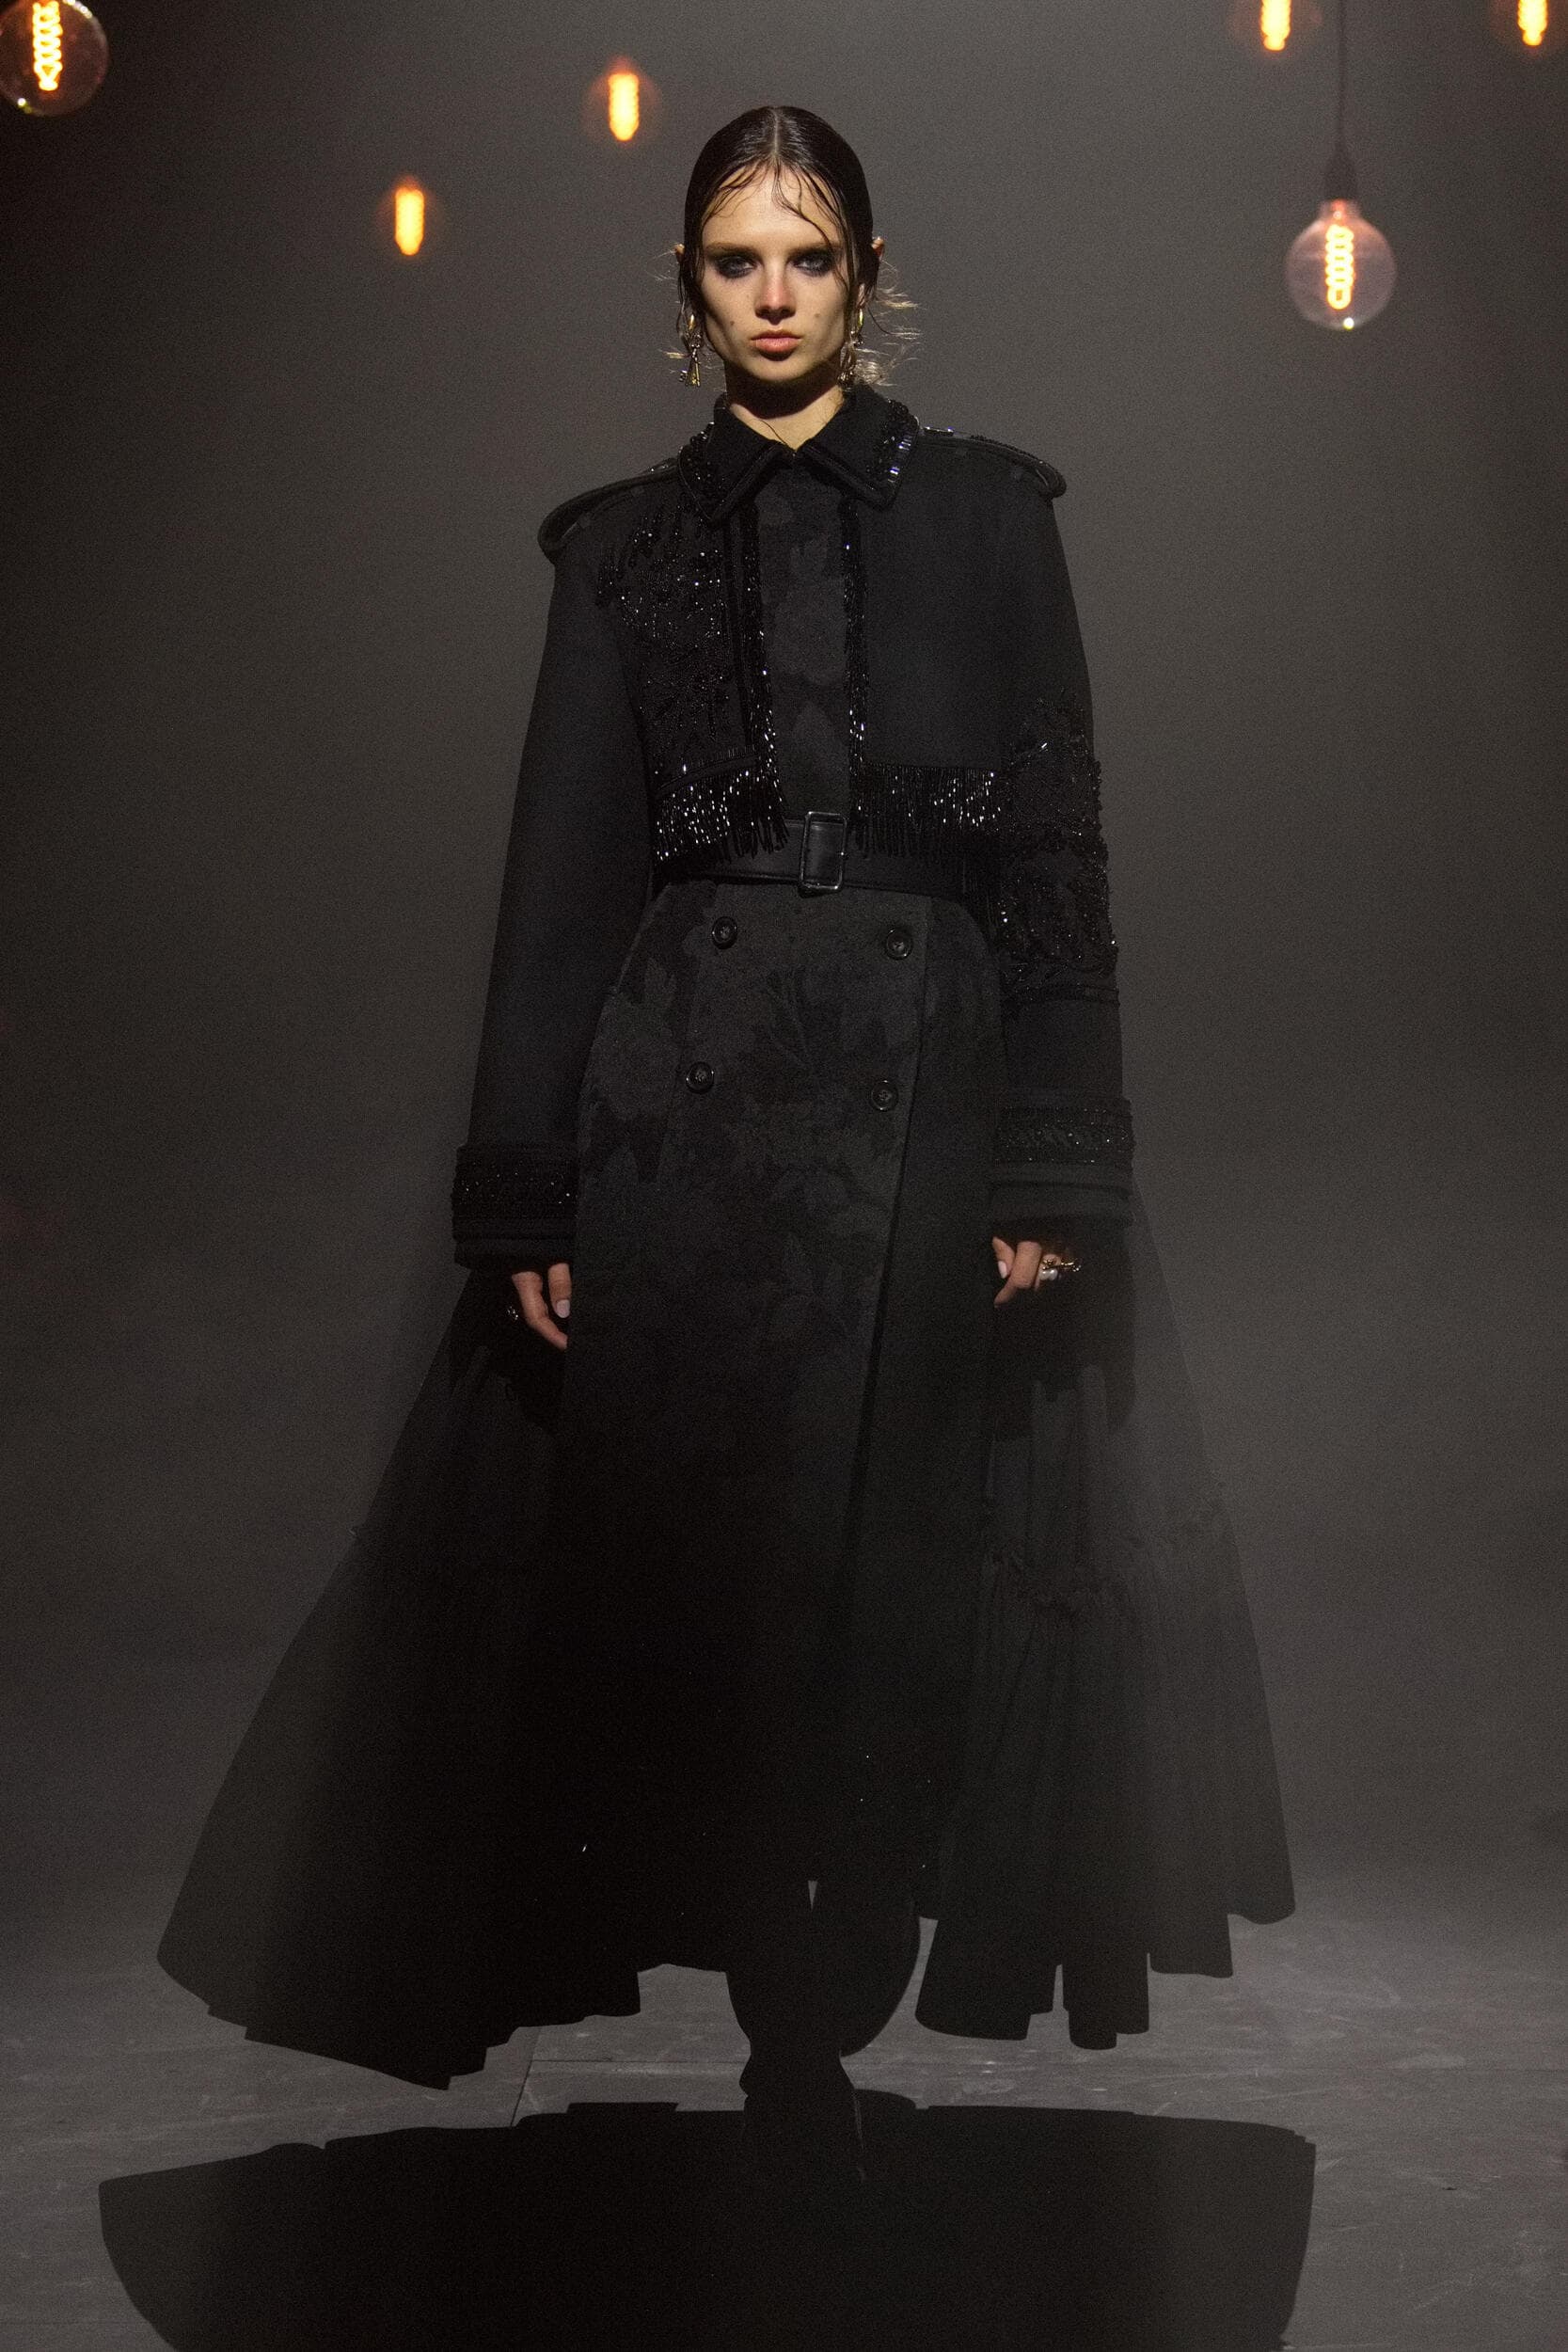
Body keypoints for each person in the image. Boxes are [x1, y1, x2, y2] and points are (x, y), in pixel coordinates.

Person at [159, 104, 1294, 2232]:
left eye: (807, 257)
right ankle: (786, 2025)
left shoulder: (990, 515)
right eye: (733, 262)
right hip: (689, 1111)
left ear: (868, 273)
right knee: (726, 1594)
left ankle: (828, 2000)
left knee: (904, 1577)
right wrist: (530, 1187)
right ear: (688, 292)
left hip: (929, 1092)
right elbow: (559, 883)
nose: (773, 297)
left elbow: (1056, 857)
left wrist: (1053, 1161)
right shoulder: (622, 549)